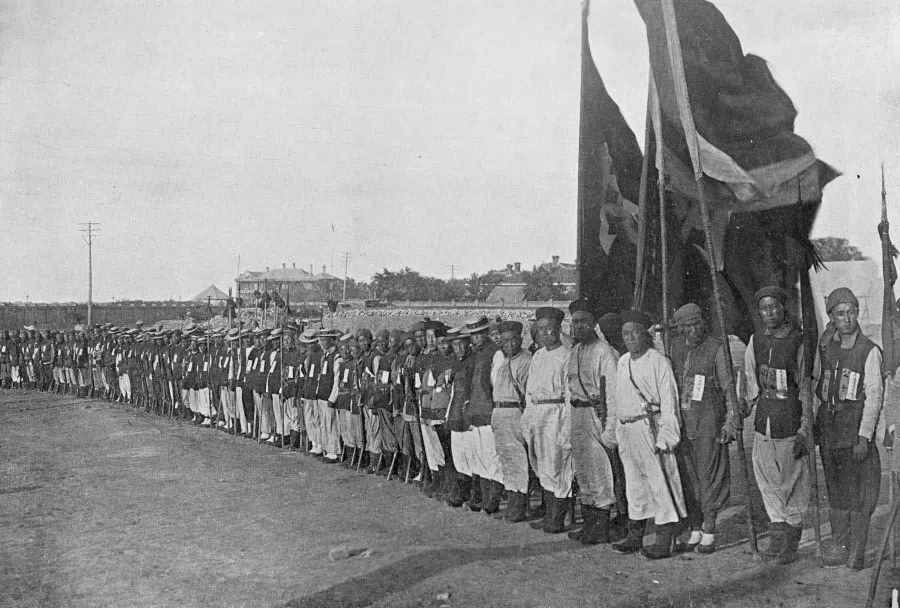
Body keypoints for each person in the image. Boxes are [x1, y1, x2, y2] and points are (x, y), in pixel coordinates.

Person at [814, 288, 884, 570]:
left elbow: (875, 396)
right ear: (831, 317)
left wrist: (864, 436)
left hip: (854, 431)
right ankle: (840, 544)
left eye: (851, 312)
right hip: (829, 431)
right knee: (836, 490)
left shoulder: (869, 351)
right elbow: (817, 384)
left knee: (858, 493)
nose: (847, 319)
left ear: (858, 313)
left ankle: (857, 549)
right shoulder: (827, 348)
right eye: (839, 313)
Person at [743, 286, 811, 565]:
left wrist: (804, 427)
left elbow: (805, 386)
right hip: (764, 422)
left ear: (784, 308)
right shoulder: (756, 340)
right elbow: (749, 378)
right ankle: (777, 536)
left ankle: (791, 543)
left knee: (793, 482)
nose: (769, 313)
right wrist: (743, 406)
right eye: (764, 308)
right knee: (767, 480)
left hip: (790, 420)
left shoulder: (798, 342)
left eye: (774, 307)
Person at [611, 310, 686, 559]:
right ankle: (636, 535)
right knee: (634, 484)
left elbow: (669, 403)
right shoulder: (622, 362)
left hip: (649, 428)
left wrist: (666, 437)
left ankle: (665, 541)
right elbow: (616, 398)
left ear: (645, 334)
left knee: (660, 484)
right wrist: (615, 429)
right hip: (627, 430)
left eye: (635, 332)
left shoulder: (658, 362)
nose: (630, 338)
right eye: (626, 334)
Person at [670, 303, 739, 554]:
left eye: (697, 323)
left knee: (709, 475)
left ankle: (710, 528)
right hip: (684, 422)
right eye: (687, 326)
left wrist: (730, 421)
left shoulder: (716, 348)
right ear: (679, 329)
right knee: (689, 478)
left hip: (709, 421)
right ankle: (695, 527)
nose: (693, 329)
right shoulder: (676, 349)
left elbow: (729, 388)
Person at [566, 300, 621, 544]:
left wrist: (610, 427)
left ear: (593, 324)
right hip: (577, 414)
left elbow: (612, 393)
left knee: (600, 470)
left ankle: (601, 527)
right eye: (575, 322)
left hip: (596, 415)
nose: (578, 327)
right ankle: (589, 524)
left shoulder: (604, 352)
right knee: (584, 471)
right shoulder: (575, 351)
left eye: (583, 322)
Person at [522, 307, 573, 533]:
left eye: (548, 328)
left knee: (557, 465)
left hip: (557, 413)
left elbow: (570, 394)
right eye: (540, 329)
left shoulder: (566, 355)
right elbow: (530, 391)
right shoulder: (538, 355)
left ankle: (557, 518)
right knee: (541, 465)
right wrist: (528, 419)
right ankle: (548, 512)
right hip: (537, 414)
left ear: (558, 329)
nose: (544, 333)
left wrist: (566, 427)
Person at [490, 320, 532, 522]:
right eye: (505, 340)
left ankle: (518, 506)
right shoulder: (505, 361)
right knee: (506, 460)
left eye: (512, 339)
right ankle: (513, 503)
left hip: (514, 412)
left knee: (517, 461)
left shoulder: (525, 360)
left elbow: (527, 393)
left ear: (520, 339)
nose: (508, 344)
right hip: (499, 413)